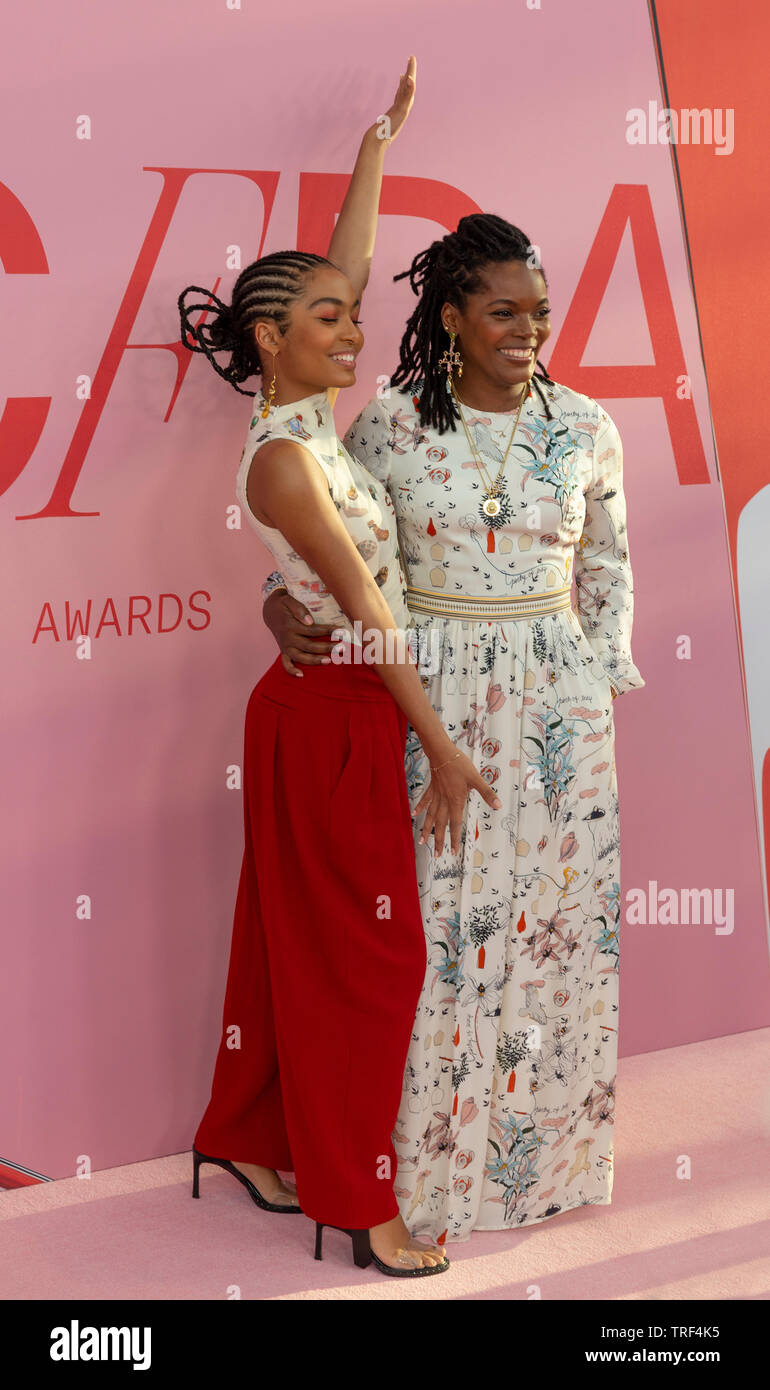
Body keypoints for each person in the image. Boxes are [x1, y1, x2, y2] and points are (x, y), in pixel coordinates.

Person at [263, 209, 646, 1244]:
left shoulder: (588, 427)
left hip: (558, 711)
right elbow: (334, 525)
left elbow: (606, 563)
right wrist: (275, 602)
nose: (525, 331)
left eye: (539, 313)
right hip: (428, 693)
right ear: (448, 316)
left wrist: (594, 678)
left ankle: (538, 1170)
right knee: (429, 934)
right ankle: (415, 1178)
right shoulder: (387, 422)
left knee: (554, 929)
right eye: (501, 312)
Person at [177, 58, 501, 1279]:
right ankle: (360, 1204)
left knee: (285, 933)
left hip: (330, 710)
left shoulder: (312, 419)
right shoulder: (285, 463)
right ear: (272, 339)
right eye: (329, 320)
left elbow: (346, 265)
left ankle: (244, 1135)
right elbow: (366, 614)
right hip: (340, 715)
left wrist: (374, 144)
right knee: (374, 957)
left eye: (352, 314)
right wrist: (445, 747)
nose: (356, 327)